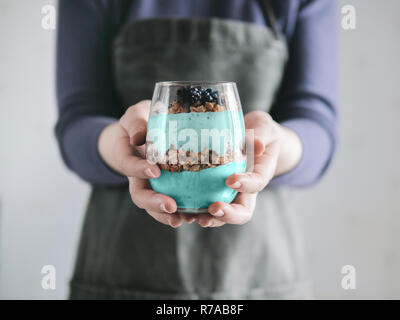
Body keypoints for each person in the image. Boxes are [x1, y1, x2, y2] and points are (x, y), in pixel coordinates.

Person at [56, 0, 337, 299]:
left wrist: (272, 147)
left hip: (258, 266)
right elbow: (78, 120)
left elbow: (317, 127)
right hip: (123, 260)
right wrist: (119, 146)